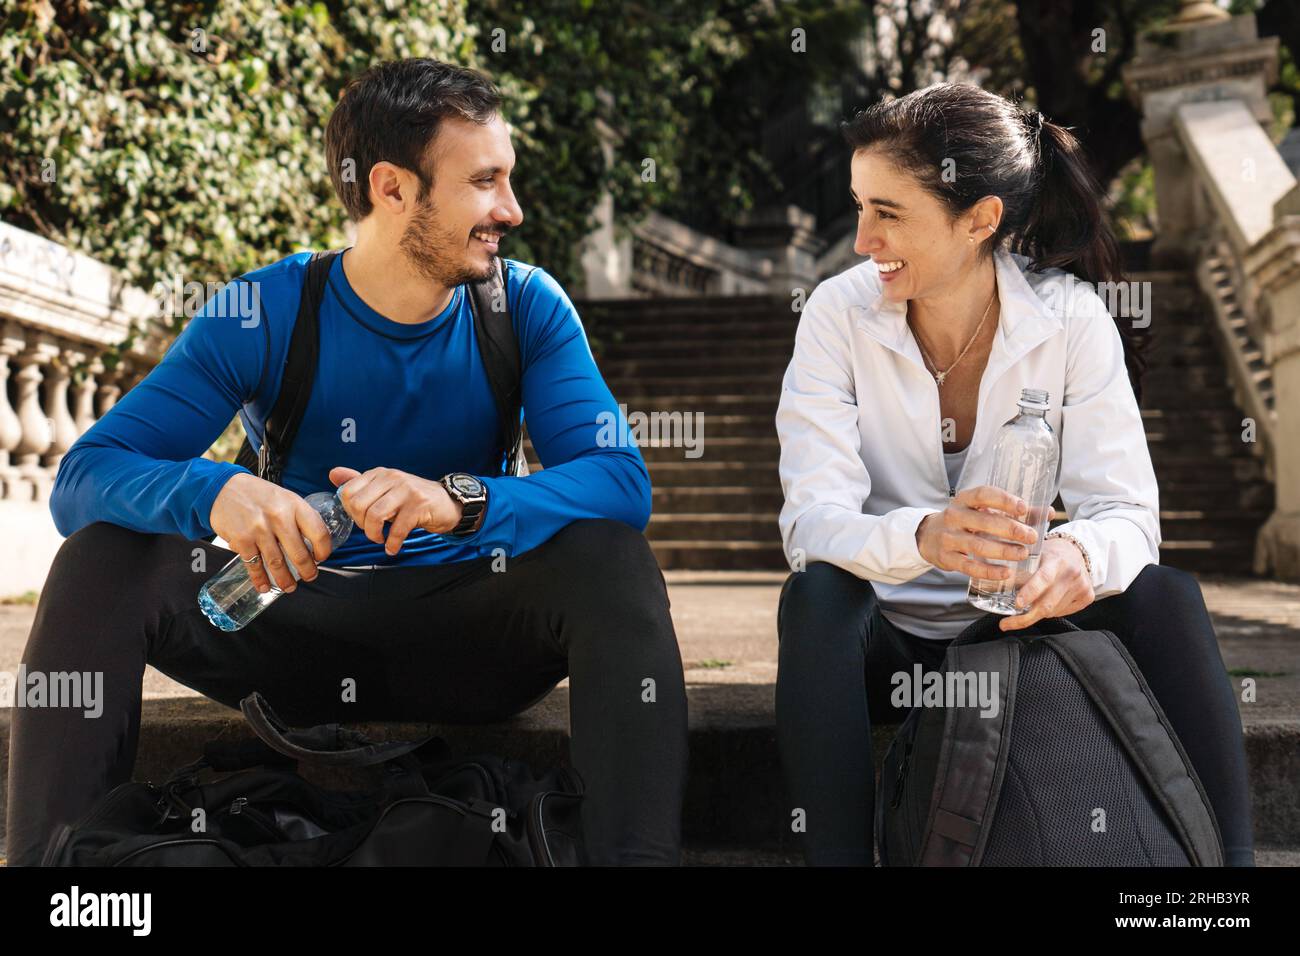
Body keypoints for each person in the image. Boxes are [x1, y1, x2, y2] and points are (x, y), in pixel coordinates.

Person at [5, 58, 687, 867]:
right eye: (485, 181)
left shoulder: (525, 306)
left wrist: (460, 500)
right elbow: (85, 477)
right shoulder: (265, 310)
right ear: (393, 189)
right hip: (292, 631)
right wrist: (214, 490)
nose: (512, 208)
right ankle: (59, 881)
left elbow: (620, 485)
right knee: (99, 559)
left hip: (468, 639)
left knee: (610, 555)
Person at [774, 82, 1254, 867]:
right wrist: (926, 537)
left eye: (888, 212)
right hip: (887, 642)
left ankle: (1227, 886)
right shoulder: (836, 314)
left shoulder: (1068, 320)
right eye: (859, 206)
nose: (862, 240)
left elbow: (1130, 514)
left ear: (981, 219)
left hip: (1019, 627)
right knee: (818, 595)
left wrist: (1078, 559)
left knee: (1166, 595)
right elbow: (811, 524)